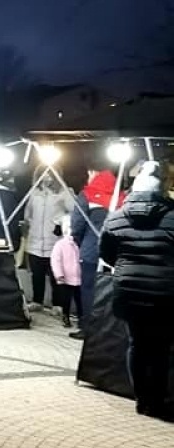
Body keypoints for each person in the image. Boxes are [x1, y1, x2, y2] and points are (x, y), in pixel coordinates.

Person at [99, 161, 174, 422]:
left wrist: (127, 267)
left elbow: (107, 254)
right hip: (165, 293)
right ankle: (157, 402)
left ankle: (142, 400)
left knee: (137, 344)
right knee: (161, 348)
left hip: (128, 292)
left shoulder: (116, 217)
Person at [72, 168, 121, 322]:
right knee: (111, 290)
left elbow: (77, 225)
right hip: (117, 253)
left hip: (91, 250)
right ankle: (108, 326)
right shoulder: (122, 197)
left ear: (93, 172)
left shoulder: (86, 195)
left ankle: (89, 325)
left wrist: (79, 242)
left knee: (88, 288)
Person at [23, 173, 71, 309]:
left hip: (54, 241)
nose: (47, 178)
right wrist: (30, 225)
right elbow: (28, 214)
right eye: (44, 174)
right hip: (35, 241)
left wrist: (61, 222)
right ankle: (37, 301)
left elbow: (74, 211)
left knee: (56, 275)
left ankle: (58, 305)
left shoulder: (64, 192)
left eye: (50, 175)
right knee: (36, 274)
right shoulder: (34, 192)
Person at [50, 216, 83, 333]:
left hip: (79, 278)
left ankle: (81, 318)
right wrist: (59, 274)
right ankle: (65, 316)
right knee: (66, 300)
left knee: (80, 300)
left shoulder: (80, 243)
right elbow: (55, 260)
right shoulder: (60, 244)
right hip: (66, 278)